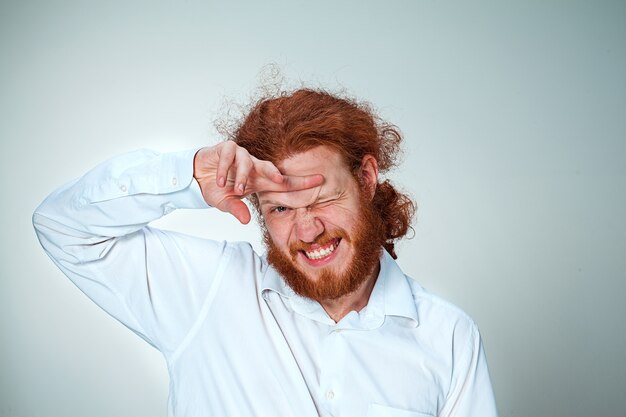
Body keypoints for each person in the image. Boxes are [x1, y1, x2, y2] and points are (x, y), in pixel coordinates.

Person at [33, 88, 498, 417]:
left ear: (367, 179)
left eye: (321, 199)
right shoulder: (207, 292)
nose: (308, 229)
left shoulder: (448, 338)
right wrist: (191, 174)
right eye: (279, 207)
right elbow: (63, 226)